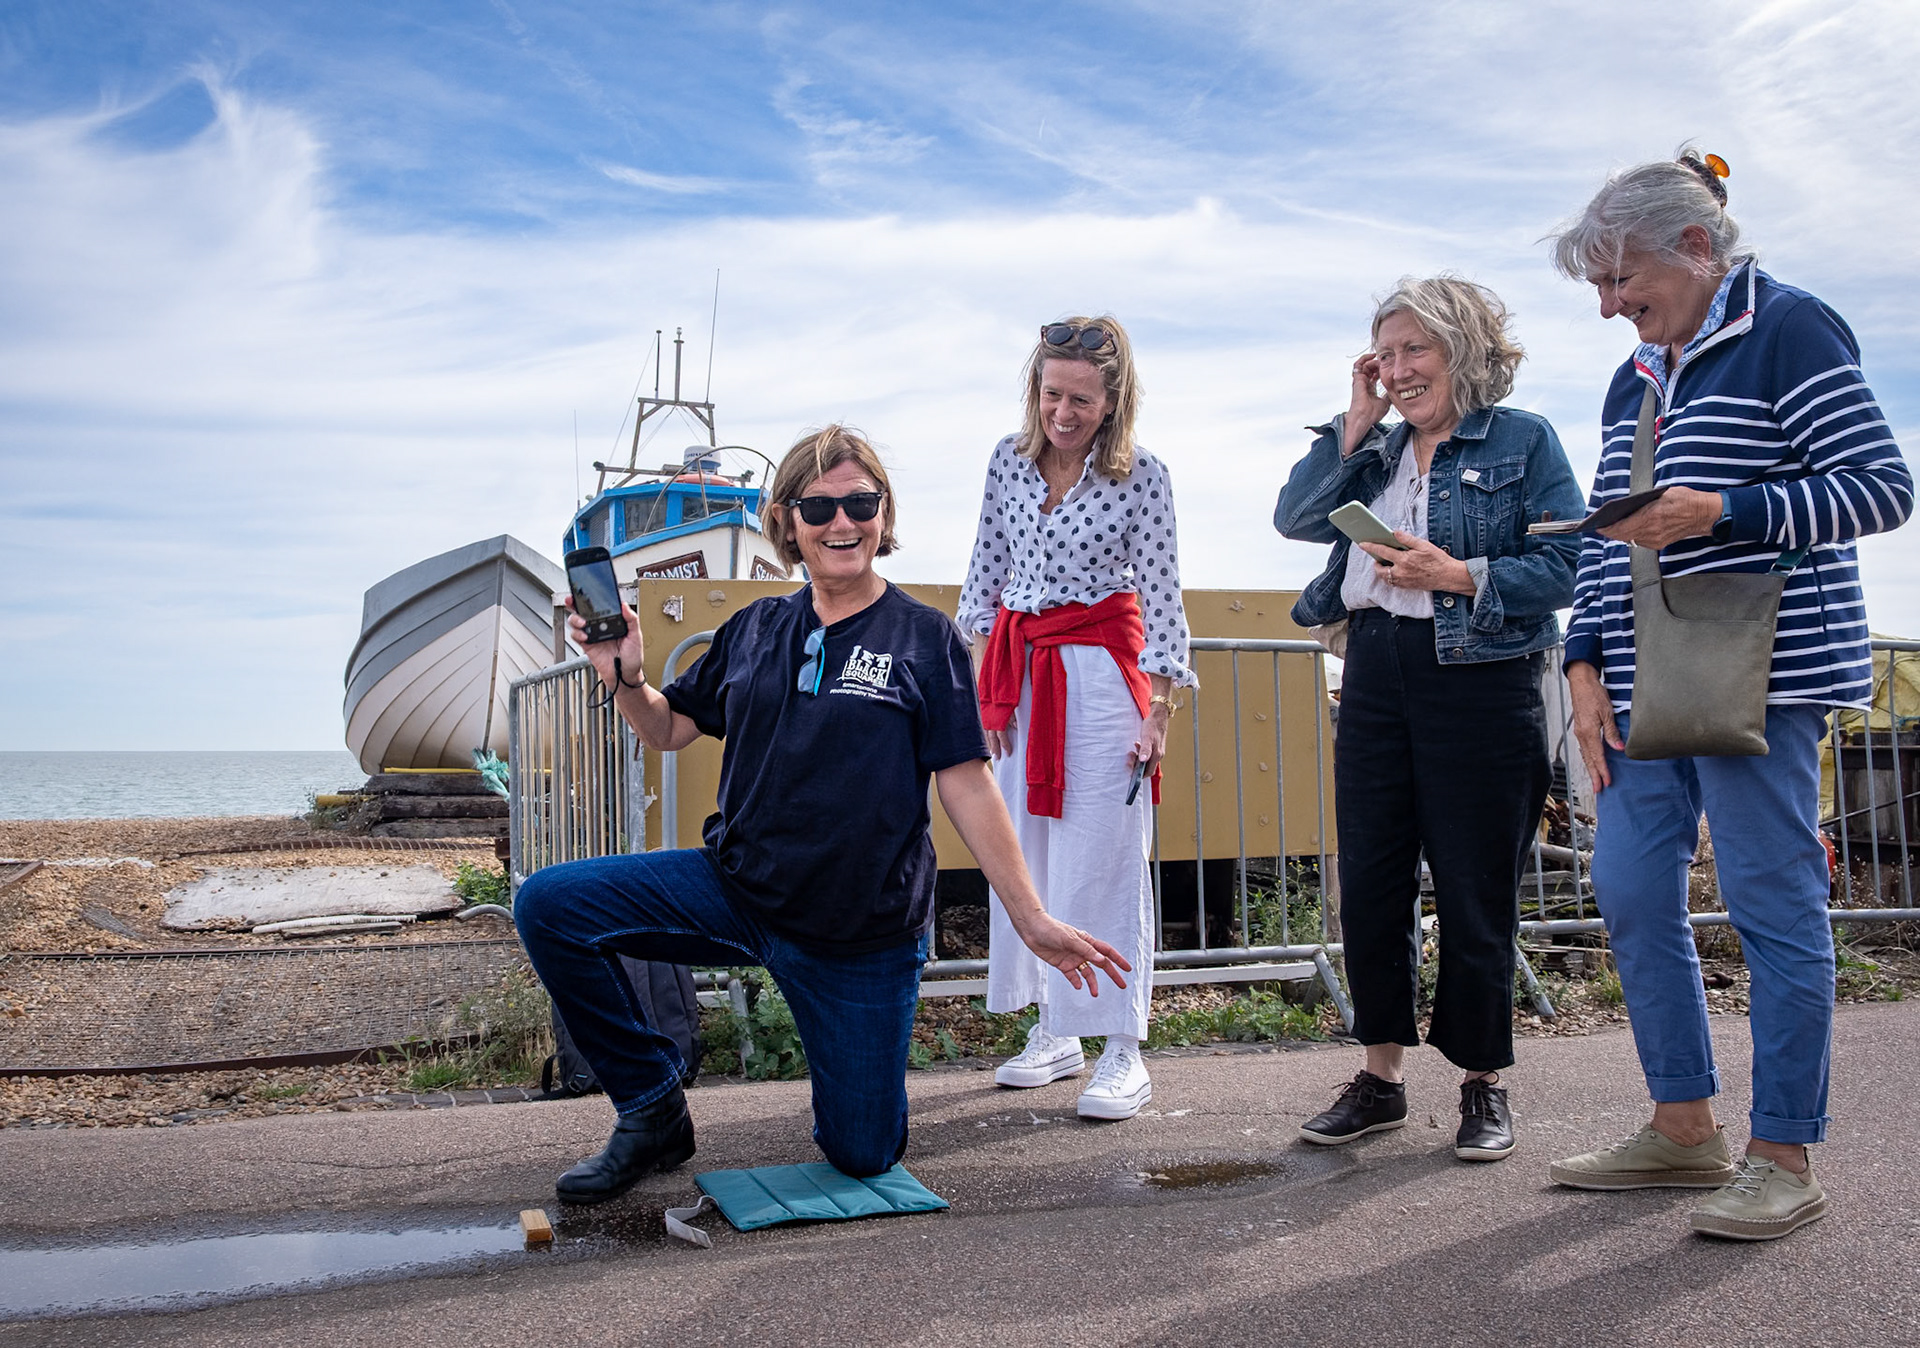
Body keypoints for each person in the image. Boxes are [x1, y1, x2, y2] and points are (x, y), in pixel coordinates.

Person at [515, 425, 1130, 1203]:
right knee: (551, 905)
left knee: (863, 1156)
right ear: (788, 523)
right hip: (738, 890)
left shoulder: (923, 638)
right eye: (820, 507)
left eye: (860, 503)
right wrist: (628, 678)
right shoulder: (755, 628)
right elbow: (671, 729)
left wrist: (1033, 919)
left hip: (859, 932)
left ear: (883, 514)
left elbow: (967, 784)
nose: (843, 523)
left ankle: (846, 1098)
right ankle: (651, 1108)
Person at [1544, 151, 1912, 1239]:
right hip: (1647, 674)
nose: (1610, 306)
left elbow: (1881, 488)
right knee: (1629, 887)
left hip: (1769, 673)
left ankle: (1785, 1150)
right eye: (1602, 288)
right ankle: (1685, 1127)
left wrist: (1722, 513)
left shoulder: (1793, 327)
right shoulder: (1636, 376)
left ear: (1695, 248)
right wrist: (1583, 661)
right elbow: (1614, 538)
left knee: (1770, 900)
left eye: (1620, 278)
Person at [1274, 276, 1585, 1162]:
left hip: (1482, 679)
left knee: (1475, 885)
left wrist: (1459, 575)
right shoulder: (1373, 445)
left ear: (1464, 350)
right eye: (1387, 352)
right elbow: (1296, 517)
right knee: (1371, 880)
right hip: (1376, 669)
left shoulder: (1524, 441)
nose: (1401, 369)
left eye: (1417, 350)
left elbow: (1567, 562)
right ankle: (1380, 1079)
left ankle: (1482, 1083)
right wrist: (1356, 415)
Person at [957, 315, 1195, 1122]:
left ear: (1112, 399)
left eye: (1081, 399)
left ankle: (1123, 1048)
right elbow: (983, 579)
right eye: (1052, 393)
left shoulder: (1144, 475)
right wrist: (982, 693)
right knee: (1028, 856)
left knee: (1105, 858)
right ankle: (1054, 1028)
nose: (1063, 411)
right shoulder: (1006, 461)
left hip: (1098, 681)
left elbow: (1163, 603)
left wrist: (1158, 713)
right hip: (1020, 680)